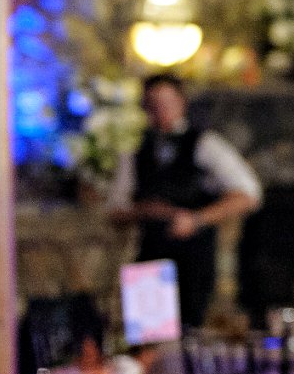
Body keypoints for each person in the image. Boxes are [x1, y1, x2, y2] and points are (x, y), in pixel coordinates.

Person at [106, 74, 262, 327]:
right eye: (154, 103)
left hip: (195, 260)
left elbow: (249, 194)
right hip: (151, 256)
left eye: (167, 102)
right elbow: (115, 209)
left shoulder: (206, 144)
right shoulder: (136, 150)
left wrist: (197, 218)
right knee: (149, 334)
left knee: (190, 333)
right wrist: (145, 211)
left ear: (181, 103)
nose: (161, 110)